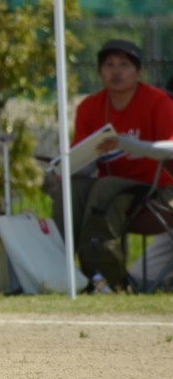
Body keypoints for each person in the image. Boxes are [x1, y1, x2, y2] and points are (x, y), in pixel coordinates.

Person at [49, 39, 173, 288]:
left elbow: (170, 149)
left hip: (158, 190)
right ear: (99, 72)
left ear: (139, 72)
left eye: (124, 65)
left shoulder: (159, 102)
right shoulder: (90, 107)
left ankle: (105, 279)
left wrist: (127, 144)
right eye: (109, 65)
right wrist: (64, 169)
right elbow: (84, 156)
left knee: (104, 187)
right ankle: (57, 271)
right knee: (71, 188)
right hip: (112, 187)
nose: (116, 72)